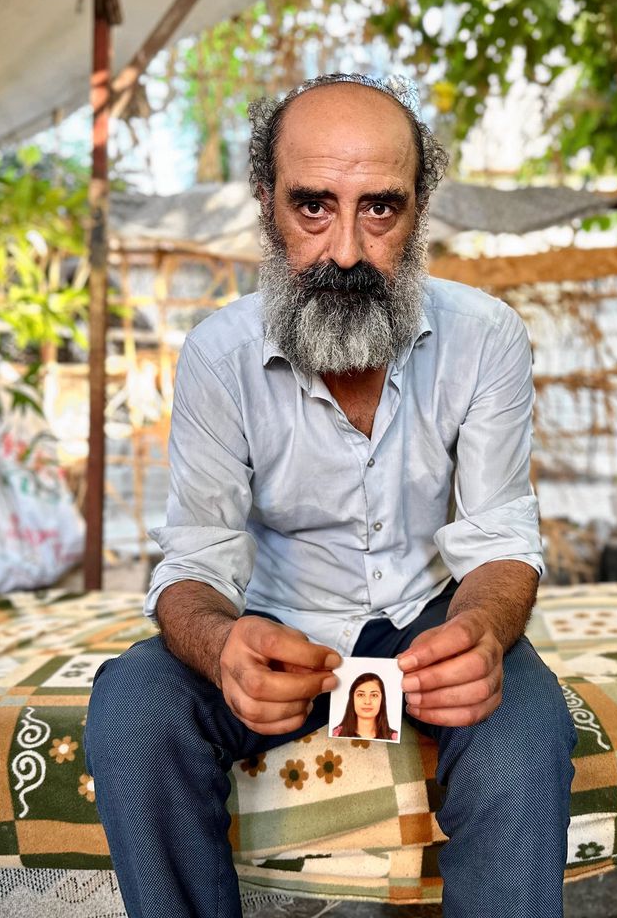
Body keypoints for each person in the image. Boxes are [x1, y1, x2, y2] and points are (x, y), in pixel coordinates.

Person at [83, 73, 577, 918]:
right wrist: (222, 645)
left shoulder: (487, 336)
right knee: (131, 713)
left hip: (430, 617)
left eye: (379, 209)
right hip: (276, 624)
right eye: (313, 206)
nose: (345, 250)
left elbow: (499, 538)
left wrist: (483, 632)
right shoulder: (217, 355)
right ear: (268, 202)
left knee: (525, 742)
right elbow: (194, 559)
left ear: (419, 209)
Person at [332, 672, 398, 741]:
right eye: (360, 695)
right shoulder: (335, 734)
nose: (367, 702)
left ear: (382, 699)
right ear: (352, 699)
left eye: (374, 695)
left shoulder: (395, 738)